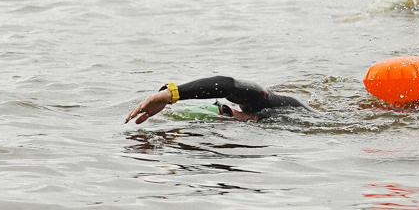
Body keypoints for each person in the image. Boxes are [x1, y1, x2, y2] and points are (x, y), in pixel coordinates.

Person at [125, 75, 305, 124]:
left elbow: (228, 85)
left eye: (225, 110)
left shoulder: (270, 108)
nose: (227, 113)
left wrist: (171, 94)